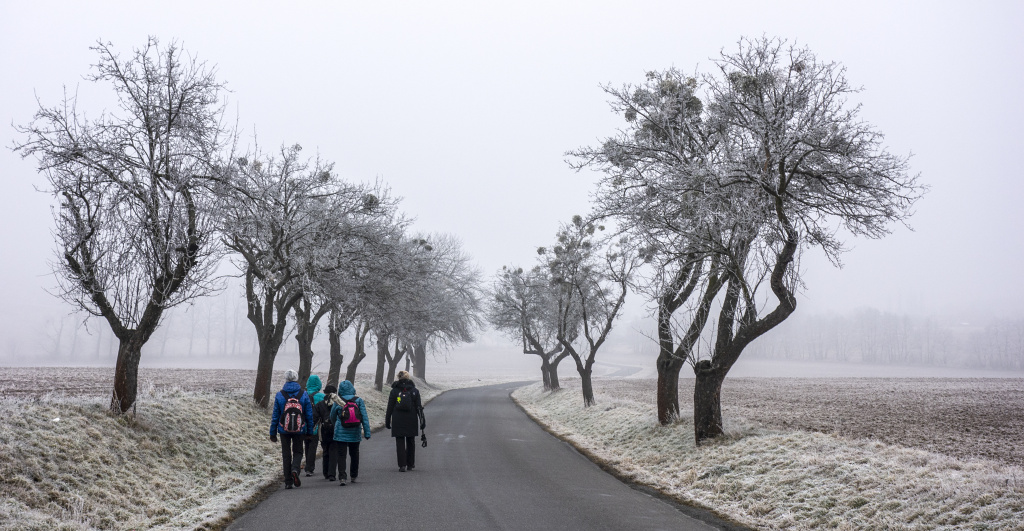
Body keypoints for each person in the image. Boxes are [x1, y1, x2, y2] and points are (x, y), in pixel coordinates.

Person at [269, 369, 314, 489]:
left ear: (286, 379)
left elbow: (275, 416)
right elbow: (309, 414)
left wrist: (272, 433)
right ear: (296, 378)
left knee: (286, 454)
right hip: (300, 429)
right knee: (298, 451)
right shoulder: (303, 394)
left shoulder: (280, 395)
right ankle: (295, 469)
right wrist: (310, 431)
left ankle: (288, 481)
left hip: (284, 429)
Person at [330, 380, 371, 485]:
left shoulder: (338, 401)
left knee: (341, 455)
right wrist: (367, 432)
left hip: (341, 432)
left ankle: (342, 477)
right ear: (352, 389)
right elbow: (364, 417)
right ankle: (353, 475)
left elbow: (332, 416)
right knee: (354, 454)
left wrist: (336, 425)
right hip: (355, 431)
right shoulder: (358, 400)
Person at [385, 370, 425, 472]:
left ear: (398, 377)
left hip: (398, 419)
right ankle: (410, 464)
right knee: (411, 441)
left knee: (400, 441)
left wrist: (387, 419)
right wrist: (422, 420)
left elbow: (390, 406)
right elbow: (418, 407)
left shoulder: (394, 391)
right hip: (411, 418)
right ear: (408, 378)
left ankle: (402, 465)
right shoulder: (414, 391)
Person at [313, 383, 337, 480]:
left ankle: (326, 472)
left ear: (325, 393)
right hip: (335, 429)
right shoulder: (336, 403)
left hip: (323, 430)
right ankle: (332, 473)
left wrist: (310, 429)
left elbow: (314, 418)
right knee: (333, 451)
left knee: (325, 451)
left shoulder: (319, 405)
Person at [303, 374, 324, 476]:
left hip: (303, 426)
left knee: (306, 445)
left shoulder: (303, 395)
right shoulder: (322, 397)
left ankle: (307, 464)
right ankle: (309, 468)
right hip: (315, 426)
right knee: (313, 446)